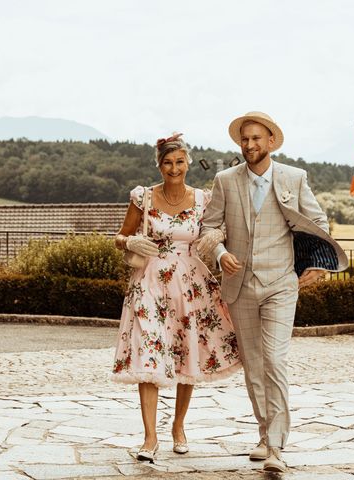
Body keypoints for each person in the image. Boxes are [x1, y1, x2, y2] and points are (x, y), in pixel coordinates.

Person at [198, 112, 348, 472]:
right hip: (240, 286)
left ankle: (277, 447)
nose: (249, 145)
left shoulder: (294, 178)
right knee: (253, 366)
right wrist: (220, 253)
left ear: (271, 141)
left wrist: (318, 262)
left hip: (281, 284)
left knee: (274, 360)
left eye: (256, 138)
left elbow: (318, 223)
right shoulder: (225, 180)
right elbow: (210, 226)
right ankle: (265, 435)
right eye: (244, 139)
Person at [111, 133, 241, 463]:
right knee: (148, 352)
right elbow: (120, 236)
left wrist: (215, 238)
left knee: (187, 352)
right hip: (149, 283)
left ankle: (178, 427)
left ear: (187, 163)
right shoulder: (143, 198)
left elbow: (219, 228)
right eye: (167, 162)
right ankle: (149, 437)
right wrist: (130, 244)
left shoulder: (203, 199)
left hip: (190, 284)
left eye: (179, 162)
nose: (174, 168)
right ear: (159, 165)